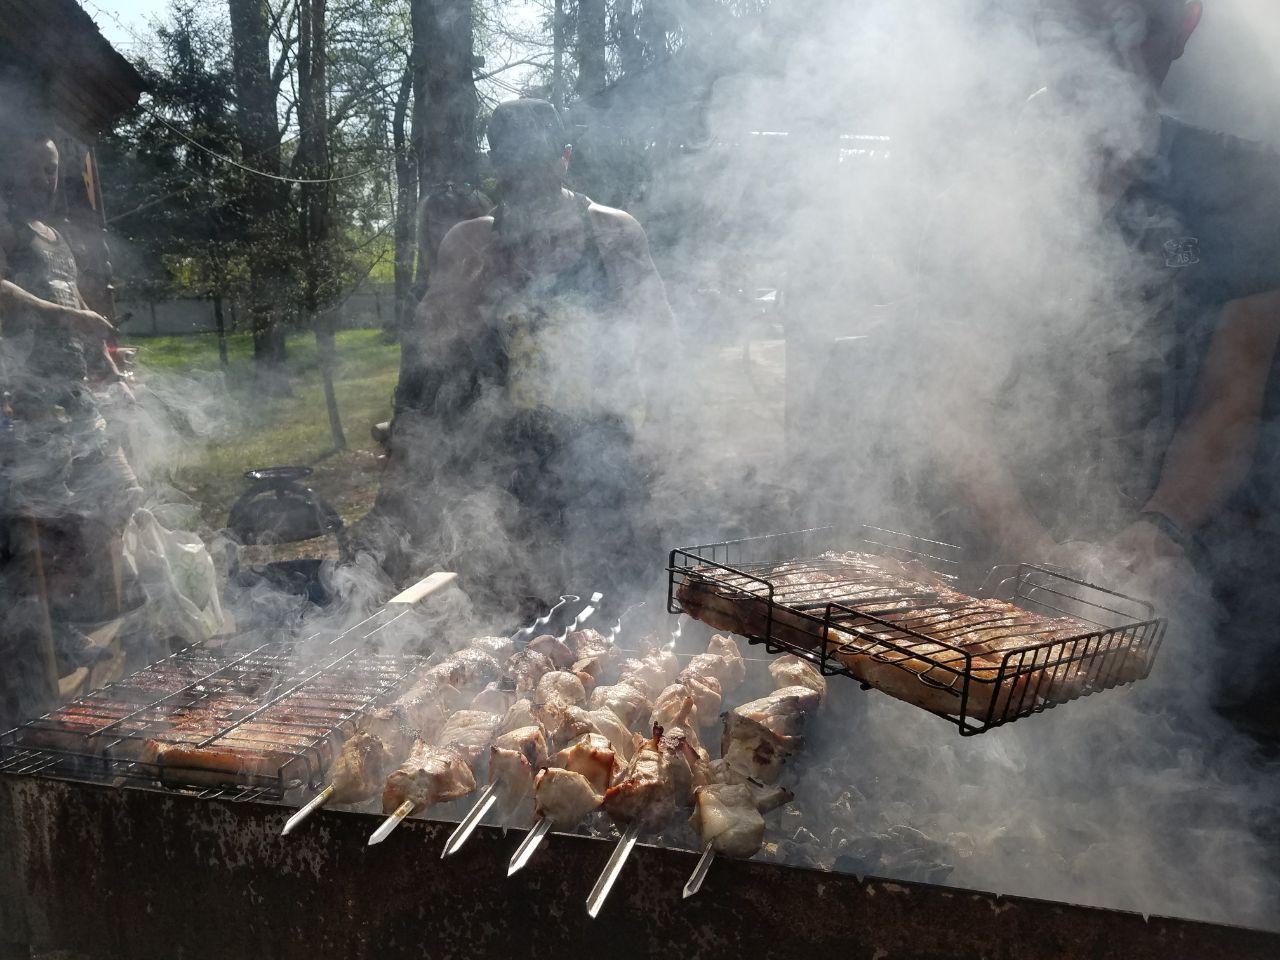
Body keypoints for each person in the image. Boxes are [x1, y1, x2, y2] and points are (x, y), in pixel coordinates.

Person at [920, 1, 1280, 738]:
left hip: (1186, 566)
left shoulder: (1242, 185)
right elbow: (953, 397)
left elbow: (1231, 392)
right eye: (1074, 26)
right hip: (999, 560)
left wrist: (1161, 529)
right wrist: (1032, 550)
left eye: (1132, 28)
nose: (1098, 55)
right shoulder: (981, 183)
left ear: (1181, 32)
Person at [358, 99, 676, 617]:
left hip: (599, 452)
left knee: (620, 601)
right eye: (515, 172)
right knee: (511, 605)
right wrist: (409, 440)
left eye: (538, 170)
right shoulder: (470, 243)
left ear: (564, 159)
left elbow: (661, 340)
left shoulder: (614, 234)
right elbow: (426, 358)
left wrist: (661, 428)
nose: (527, 187)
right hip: (503, 465)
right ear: (498, 169)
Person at [0, 130, 142, 723]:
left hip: (73, 395)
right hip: (21, 400)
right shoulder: (5, 225)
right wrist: (67, 315)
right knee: (44, 525)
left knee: (118, 498)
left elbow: (82, 317)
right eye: (38, 166)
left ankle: (70, 621)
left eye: (54, 167)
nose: (48, 177)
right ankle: (46, 636)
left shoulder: (56, 238)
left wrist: (111, 366)